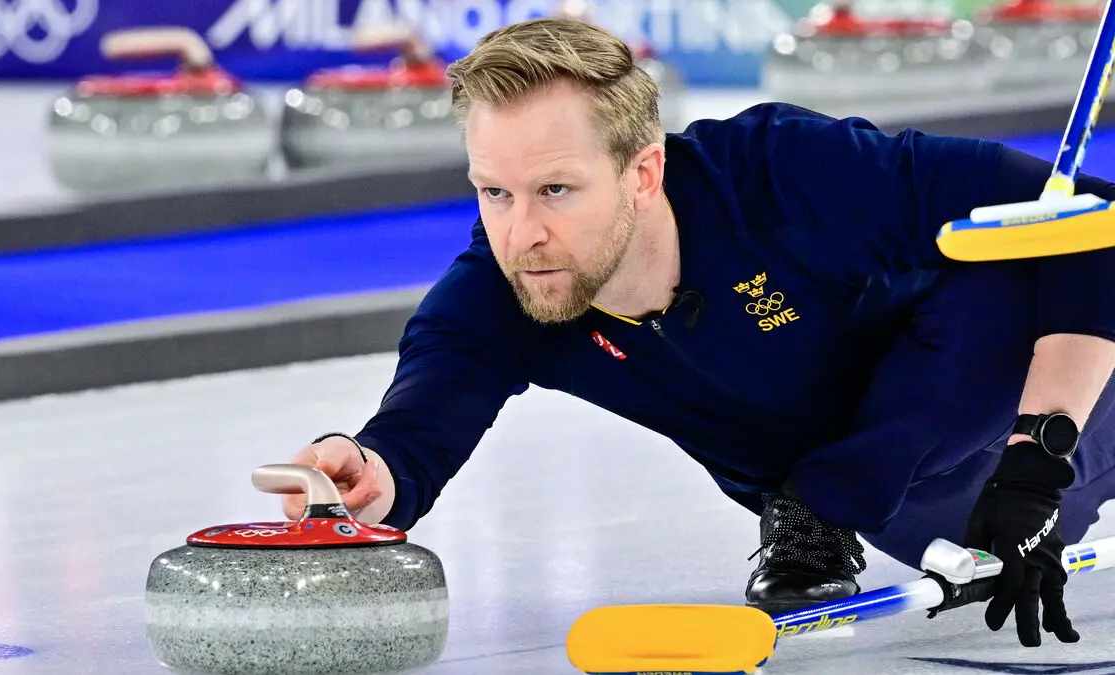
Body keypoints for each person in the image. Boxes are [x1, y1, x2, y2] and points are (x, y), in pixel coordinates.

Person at [280, 17, 1115, 648]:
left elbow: (1090, 216)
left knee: (1007, 256)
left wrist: (1038, 454)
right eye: (494, 193)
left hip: (1056, 403)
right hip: (933, 510)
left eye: (556, 191)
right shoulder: (505, 292)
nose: (521, 231)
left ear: (644, 171)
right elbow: (421, 420)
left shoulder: (786, 173)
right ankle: (819, 512)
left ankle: (827, 503)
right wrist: (369, 476)